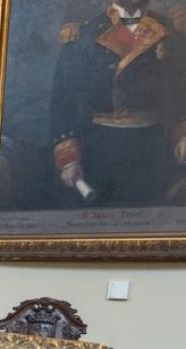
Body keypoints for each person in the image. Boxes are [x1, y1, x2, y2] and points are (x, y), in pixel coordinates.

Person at [50, 0, 186, 206]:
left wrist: (183, 135)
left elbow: (181, 92)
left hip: (154, 149)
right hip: (99, 149)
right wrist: (69, 158)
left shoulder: (170, 31)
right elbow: (64, 99)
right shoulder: (84, 33)